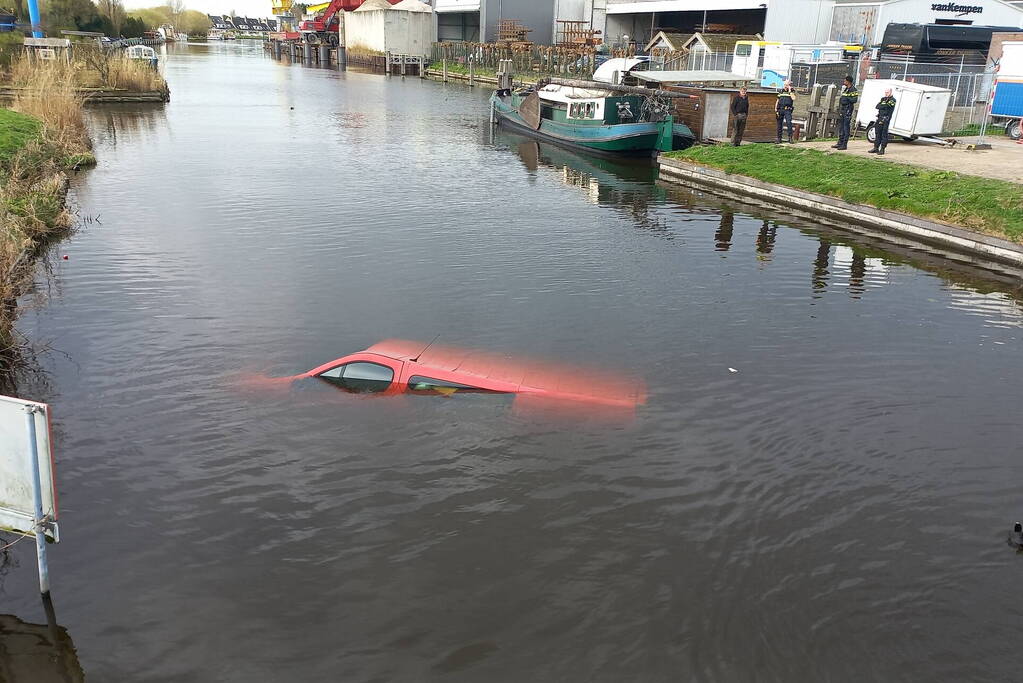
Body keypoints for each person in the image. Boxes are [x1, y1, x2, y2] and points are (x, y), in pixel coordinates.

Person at [832, 75, 858, 150]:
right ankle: (840, 142)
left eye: (845, 81)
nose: (844, 82)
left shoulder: (853, 89)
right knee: (841, 127)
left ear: (848, 81)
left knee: (846, 127)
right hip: (843, 109)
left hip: (848, 109)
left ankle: (844, 144)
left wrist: (847, 98)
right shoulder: (846, 89)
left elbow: (854, 100)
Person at [869, 88, 896, 155]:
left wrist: (883, 106)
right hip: (879, 118)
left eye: (887, 92)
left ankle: (882, 149)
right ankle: (876, 148)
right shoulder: (883, 99)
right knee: (877, 133)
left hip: (886, 119)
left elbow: (887, 106)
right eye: (885, 92)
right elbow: (877, 106)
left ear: (891, 92)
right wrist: (883, 106)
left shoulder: (893, 100)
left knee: (884, 134)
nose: (886, 93)